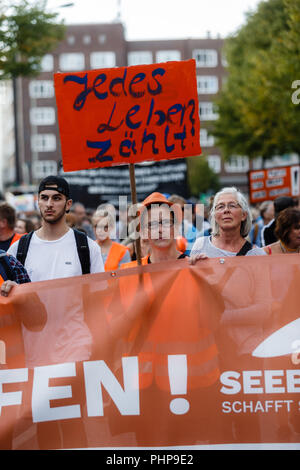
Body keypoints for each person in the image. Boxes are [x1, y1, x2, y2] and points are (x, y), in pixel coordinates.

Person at [190, 187, 266, 260]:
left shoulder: (257, 255)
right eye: (220, 207)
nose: (226, 210)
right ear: (215, 216)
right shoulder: (200, 245)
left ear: (243, 215)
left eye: (232, 206)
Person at [121, 192, 186, 268]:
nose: (160, 230)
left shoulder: (194, 268)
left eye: (166, 222)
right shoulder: (129, 273)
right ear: (143, 232)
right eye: (152, 224)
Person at [92, 205, 131, 271]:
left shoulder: (122, 251)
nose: (100, 230)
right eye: (97, 226)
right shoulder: (87, 249)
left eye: (105, 227)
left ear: (111, 227)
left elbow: (125, 278)